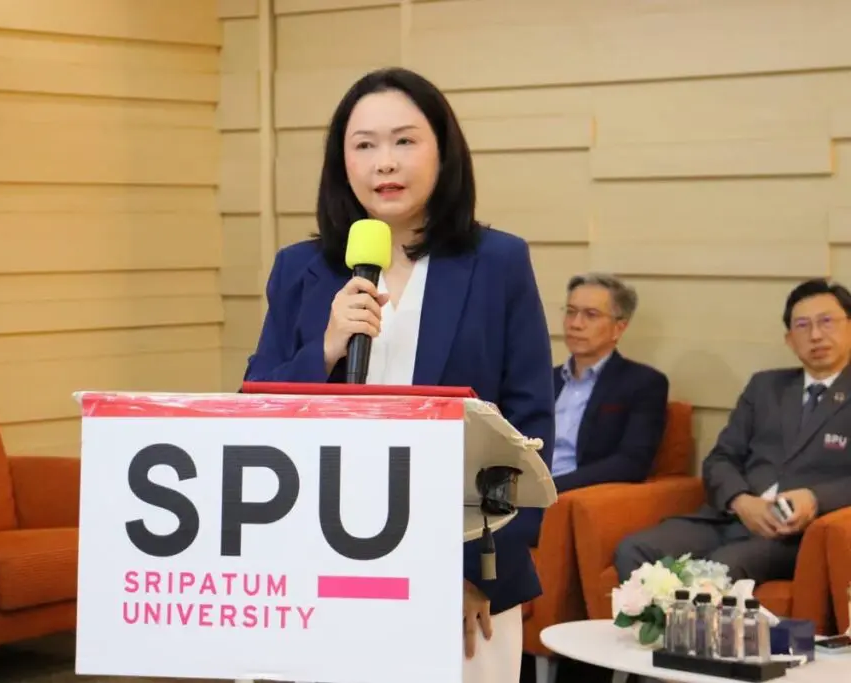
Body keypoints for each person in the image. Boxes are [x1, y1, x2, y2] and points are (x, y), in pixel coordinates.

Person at [243, 66, 555, 683]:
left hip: (459, 575)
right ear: (342, 162)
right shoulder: (300, 268)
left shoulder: (497, 262)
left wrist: (478, 573)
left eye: (405, 141)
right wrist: (325, 350)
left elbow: (526, 428)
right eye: (364, 145)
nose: (384, 162)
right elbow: (251, 412)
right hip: (317, 567)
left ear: (443, 150)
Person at [614, 278, 851, 586]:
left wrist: (815, 498)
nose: (815, 335)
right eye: (803, 326)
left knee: (719, 569)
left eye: (827, 322)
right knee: (634, 549)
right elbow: (720, 459)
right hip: (732, 517)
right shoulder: (765, 387)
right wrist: (741, 501)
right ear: (790, 339)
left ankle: (686, 619)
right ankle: (662, 621)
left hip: (797, 534)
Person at [514, 273, 669, 547]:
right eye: (571, 312)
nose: (575, 324)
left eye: (590, 315)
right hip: (519, 491)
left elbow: (632, 463)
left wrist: (549, 488)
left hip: (567, 497)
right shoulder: (543, 380)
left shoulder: (643, 383)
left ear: (619, 328)